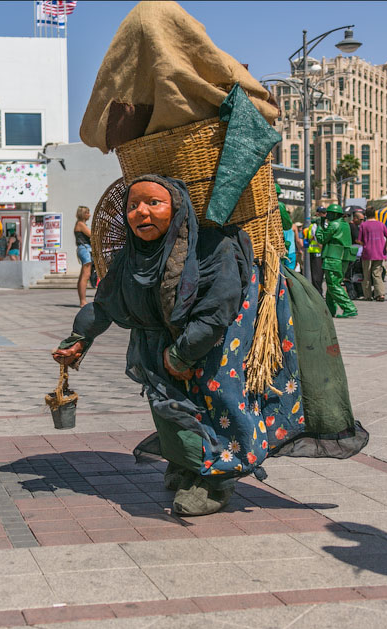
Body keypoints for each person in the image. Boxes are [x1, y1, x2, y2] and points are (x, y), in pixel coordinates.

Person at [52, 175, 366, 516]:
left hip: (215, 339)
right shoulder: (132, 257)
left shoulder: (213, 248)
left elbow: (219, 308)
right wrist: (79, 340)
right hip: (160, 344)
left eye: (152, 203)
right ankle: (188, 464)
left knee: (218, 402)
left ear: (178, 209)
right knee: (168, 405)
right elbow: (104, 303)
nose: (140, 212)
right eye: (132, 205)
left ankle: (217, 480)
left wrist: (182, 352)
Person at [316, 203, 357, 318]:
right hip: (343, 258)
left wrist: (320, 225)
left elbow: (322, 238)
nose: (327, 215)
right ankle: (330, 310)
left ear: (334, 214)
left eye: (328, 213)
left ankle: (349, 307)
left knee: (333, 285)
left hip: (333, 258)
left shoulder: (334, 225)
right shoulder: (345, 225)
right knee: (332, 285)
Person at [357, 206, 387, 302]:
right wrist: (386, 246)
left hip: (367, 253)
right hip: (380, 252)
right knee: (377, 274)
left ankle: (367, 295)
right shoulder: (381, 224)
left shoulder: (363, 225)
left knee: (366, 274)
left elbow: (359, 240)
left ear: (366, 215)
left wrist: (365, 244)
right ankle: (380, 294)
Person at [302, 206, 325, 294]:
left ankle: (318, 293)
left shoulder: (324, 224)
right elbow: (317, 239)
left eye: (324, 213)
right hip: (316, 253)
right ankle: (318, 293)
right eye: (321, 213)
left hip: (320, 253)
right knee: (317, 276)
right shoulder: (314, 226)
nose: (323, 215)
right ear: (317, 214)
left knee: (319, 275)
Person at [74, 205, 94, 307]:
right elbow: (92, 235)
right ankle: (82, 301)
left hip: (84, 249)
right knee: (86, 275)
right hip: (85, 249)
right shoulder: (81, 224)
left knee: (83, 275)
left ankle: (82, 300)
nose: (89, 215)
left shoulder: (80, 224)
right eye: (87, 212)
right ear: (83, 214)